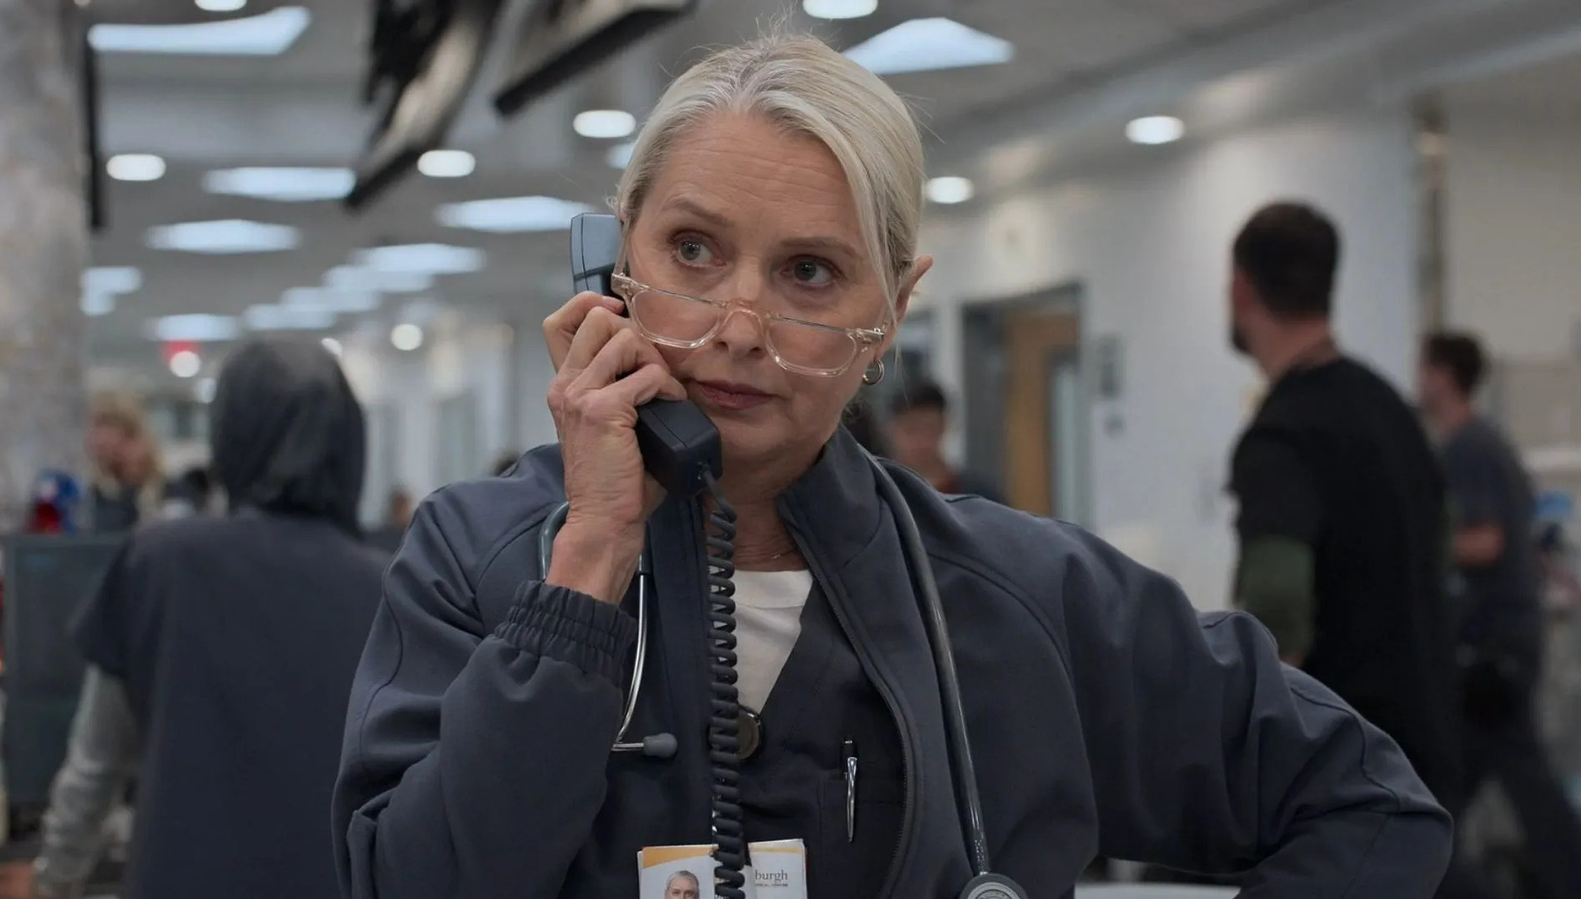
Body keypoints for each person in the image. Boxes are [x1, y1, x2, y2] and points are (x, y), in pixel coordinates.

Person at [333, 36, 1451, 899]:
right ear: (616, 256)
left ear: (895, 308)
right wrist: (589, 567)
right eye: (692, 249)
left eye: (809, 272)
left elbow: (1366, 802)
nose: (738, 324)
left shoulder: (1023, 597)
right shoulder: (480, 558)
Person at [30, 338, 387, 899]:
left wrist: (53, 881)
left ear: (229, 435)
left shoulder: (159, 563)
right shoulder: (390, 589)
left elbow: (95, 766)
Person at [1224, 202, 1475, 894]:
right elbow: (1444, 545)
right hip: (1432, 741)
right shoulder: (1395, 412)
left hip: (1350, 774)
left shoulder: (1282, 433)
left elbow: (1278, 601)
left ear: (1241, 289)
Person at [1419, 331, 1581, 898]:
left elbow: (1485, 541)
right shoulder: (1482, 443)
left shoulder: (1468, 447)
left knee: (1501, 782)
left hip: (1491, 649)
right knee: (1458, 785)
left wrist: (1414, 545)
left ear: (1444, 375)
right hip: (1499, 642)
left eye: (1424, 368)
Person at [885, 379, 1002, 501]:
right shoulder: (881, 494)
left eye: (928, 428)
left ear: (944, 426)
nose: (920, 441)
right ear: (891, 429)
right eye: (911, 429)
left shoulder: (980, 497)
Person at [85, 392, 164, 533]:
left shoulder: (169, 493)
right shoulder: (94, 496)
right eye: (96, 427)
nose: (99, 439)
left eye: (108, 426)